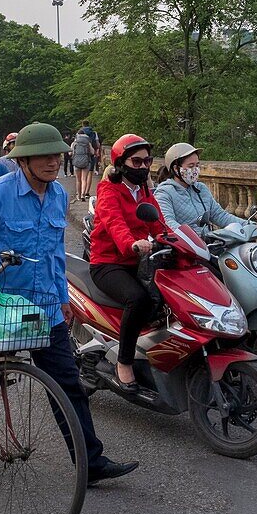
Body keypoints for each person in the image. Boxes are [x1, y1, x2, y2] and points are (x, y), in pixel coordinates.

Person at [0, 122, 139, 484]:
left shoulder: (59, 195)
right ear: (24, 160)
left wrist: (63, 298)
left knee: (68, 383)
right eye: (43, 155)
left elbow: (53, 255)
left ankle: (90, 463)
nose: (52, 161)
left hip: (45, 307)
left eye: (57, 155)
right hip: (1, 306)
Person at [88, 134, 168, 391]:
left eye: (147, 161)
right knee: (138, 299)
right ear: (121, 163)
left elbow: (158, 223)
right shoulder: (108, 190)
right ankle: (124, 362)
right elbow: (114, 223)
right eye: (137, 162)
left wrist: (179, 241)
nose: (144, 167)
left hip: (139, 260)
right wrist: (131, 244)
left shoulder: (144, 190)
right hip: (109, 262)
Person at [155, 142, 257, 238]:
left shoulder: (201, 188)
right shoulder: (164, 193)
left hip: (208, 245)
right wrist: (191, 237)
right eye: (191, 166)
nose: (195, 170)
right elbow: (167, 222)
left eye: (197, 165)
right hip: (184, 249)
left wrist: (248, 225)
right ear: (175, 168)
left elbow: (219, 215)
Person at [70, 128, 95, 201]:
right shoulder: (87, 143)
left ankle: (78, 195)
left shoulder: (74, 143)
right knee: (84, 179)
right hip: (86, 162)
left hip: (76, 162)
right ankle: (83, 195)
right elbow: (92, 152)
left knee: (78, 180)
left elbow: (70, 153)